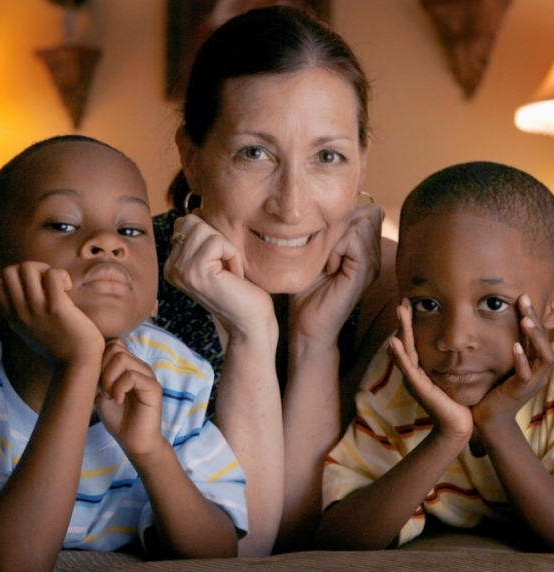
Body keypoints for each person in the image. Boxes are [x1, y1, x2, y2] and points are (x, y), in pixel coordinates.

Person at [0, 135, 247, 569]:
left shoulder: (176, 374)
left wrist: (153, 451)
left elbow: (217, 555)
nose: (107, 242)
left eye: (130, 230)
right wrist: (77, 363)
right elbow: (13, 562)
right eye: (62, 224)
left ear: (156, 294)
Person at [316, 161, 554, 552]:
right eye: (427, 304)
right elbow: (341, 535)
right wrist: (450, 434)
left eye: (493, 303)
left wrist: (497, 423)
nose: (455, 339)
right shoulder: (399, 370)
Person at [154, 5, 396, 555]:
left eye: (327, 156)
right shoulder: (130, 279)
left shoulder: (396, 287)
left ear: (361, 163)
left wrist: (316, 343)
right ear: (192, 159)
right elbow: (248, 547)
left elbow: (300, 544)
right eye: (255, 153)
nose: (291, 206)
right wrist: (252, 335)